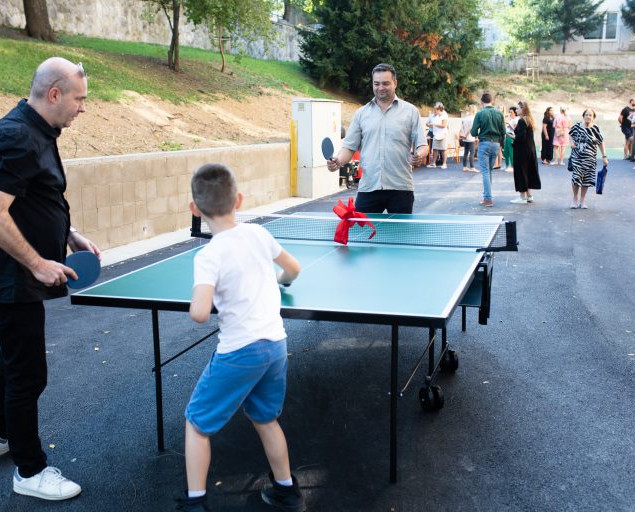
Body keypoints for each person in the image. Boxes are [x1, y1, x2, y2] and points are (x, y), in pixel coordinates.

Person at [0, 57, 99, 500]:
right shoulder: (17, 137)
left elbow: (36, 197)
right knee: (29, 374)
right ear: (55, 94)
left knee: (13, 358)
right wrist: (38, 263)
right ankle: (30, 470)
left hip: (12, 276)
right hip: (8, 278)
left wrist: (70, 234)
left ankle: (1, 433)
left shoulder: (40, 131)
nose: (84, 107)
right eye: (80, 99)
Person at [179, 164, 303, 512]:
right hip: (276, 344)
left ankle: (195, 503)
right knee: (265, 418)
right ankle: (286, 491)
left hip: (240, 352)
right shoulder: (258, 235)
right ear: (239, 200)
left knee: (197, 422)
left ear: (195, 209)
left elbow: (200, 313)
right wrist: (277, 283)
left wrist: (201, 296)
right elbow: (293, 269)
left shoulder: (208, 256)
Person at [326, 63, 428, 214]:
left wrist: (419, 155)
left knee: (400, 237)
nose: (381, 87)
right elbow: (349, 146)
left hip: (400, 188)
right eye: (376, 83)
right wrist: (338, 161)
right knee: (364, 237)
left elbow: (423, 145)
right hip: (369, 188)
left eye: (386, 83)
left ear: (395, 83)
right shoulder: (361, 114)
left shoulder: (411, 112)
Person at [567, 108, 609, 209]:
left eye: (590, 115)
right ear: (583, 116)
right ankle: (574, 199)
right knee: (576, 177)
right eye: (586, 114)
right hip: (577, 157)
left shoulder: (595, 129)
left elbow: (601, 143)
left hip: (590, 159)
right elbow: (570, 135)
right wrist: (571, 142)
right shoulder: (577, 126)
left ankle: (582, 200)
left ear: (593, 118)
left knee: (586, 180)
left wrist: (604, 156)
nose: (588, 117)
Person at [470, 92, 506, 207]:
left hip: (484, 143)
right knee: (489, 171)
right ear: (492, 101)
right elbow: (503, 132)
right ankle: (487, 196)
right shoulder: (499, 113)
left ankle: (488, 199)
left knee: (485, 171)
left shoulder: (480, 113)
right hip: (495, 144)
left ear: (481, 102)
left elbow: (473, 132)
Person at [510, 100, 541, 204]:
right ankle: (529, 195)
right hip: (530, 150)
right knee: (528, 171)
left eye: (518, 108)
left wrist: (513, 137)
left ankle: (522, 196)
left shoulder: (522, 120)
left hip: (522, 150)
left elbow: (521, 137)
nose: (516, 110)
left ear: (523, 109)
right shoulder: (529, 120)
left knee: (521, 171)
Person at [428, 102, 449, 169]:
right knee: (435, 149)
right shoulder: (435, 115)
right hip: (435, 135)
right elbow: (431, 123)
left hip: (443, 135)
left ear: (439, 109)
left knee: (443, 149)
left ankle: (444, 163)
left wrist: (434, 124)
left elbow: (444, 125)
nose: (434, 111)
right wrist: (430, 124)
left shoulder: (444, 115)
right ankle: (433, 163)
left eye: (435, 110)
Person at [459, 105, 478, 172]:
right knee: (472, 152)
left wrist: (463, 135)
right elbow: (471, 128)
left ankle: (464, 167)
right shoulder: (473, 118)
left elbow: (461, 128)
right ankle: (472, 167)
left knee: (466, 152)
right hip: (470, 137)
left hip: (465, 138)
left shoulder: (465, 118)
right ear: (474, 110)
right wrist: (466, 135)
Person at [503, 106, 518, 172]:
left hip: (512, 136)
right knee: (506, 151)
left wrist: (508, 123)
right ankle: (507, 165)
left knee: (511, 152)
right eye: (509, 112)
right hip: (507, 136)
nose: (510, 113)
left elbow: (516, 129)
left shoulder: (517, 119)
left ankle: (513, 166)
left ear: (515, 112)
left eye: (511, 112)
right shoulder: (511, 119)